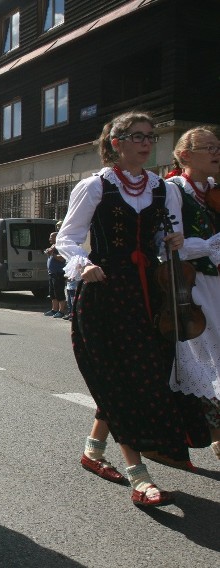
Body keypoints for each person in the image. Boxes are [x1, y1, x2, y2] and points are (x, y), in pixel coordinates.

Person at [56, 111, 209, 508]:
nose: (146, 142)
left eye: (150, 137)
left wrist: (172, 241)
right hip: (106, 292)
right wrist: (83, 265)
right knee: (123, 377)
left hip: (149, 295)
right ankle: (138, 474)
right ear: (116, 142)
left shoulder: (164, 189)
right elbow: (67, 238)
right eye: (137, 136)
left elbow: (164, 240)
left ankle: (93, 451)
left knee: (140, 375)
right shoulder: (95, 187)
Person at [164, 126, 220, 461]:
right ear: (185, 154)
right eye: (209, 147)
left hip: (216, 283)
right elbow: (171, 243)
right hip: (193, 286)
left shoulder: (214, 189)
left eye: (219, 146)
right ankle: (215, 435)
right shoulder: (174, 189)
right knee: (205, 361)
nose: (216, 152)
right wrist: (211, 246)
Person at [43, 231, 67, 318]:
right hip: (52, 273)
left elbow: (62, 259)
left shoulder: (61, 247)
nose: (49, 239)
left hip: (58, 273)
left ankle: (61, 311)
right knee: (52, 293)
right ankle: (54, 309)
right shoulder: (53, 246)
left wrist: (52, 254)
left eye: (51, 237)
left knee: (59, 292)